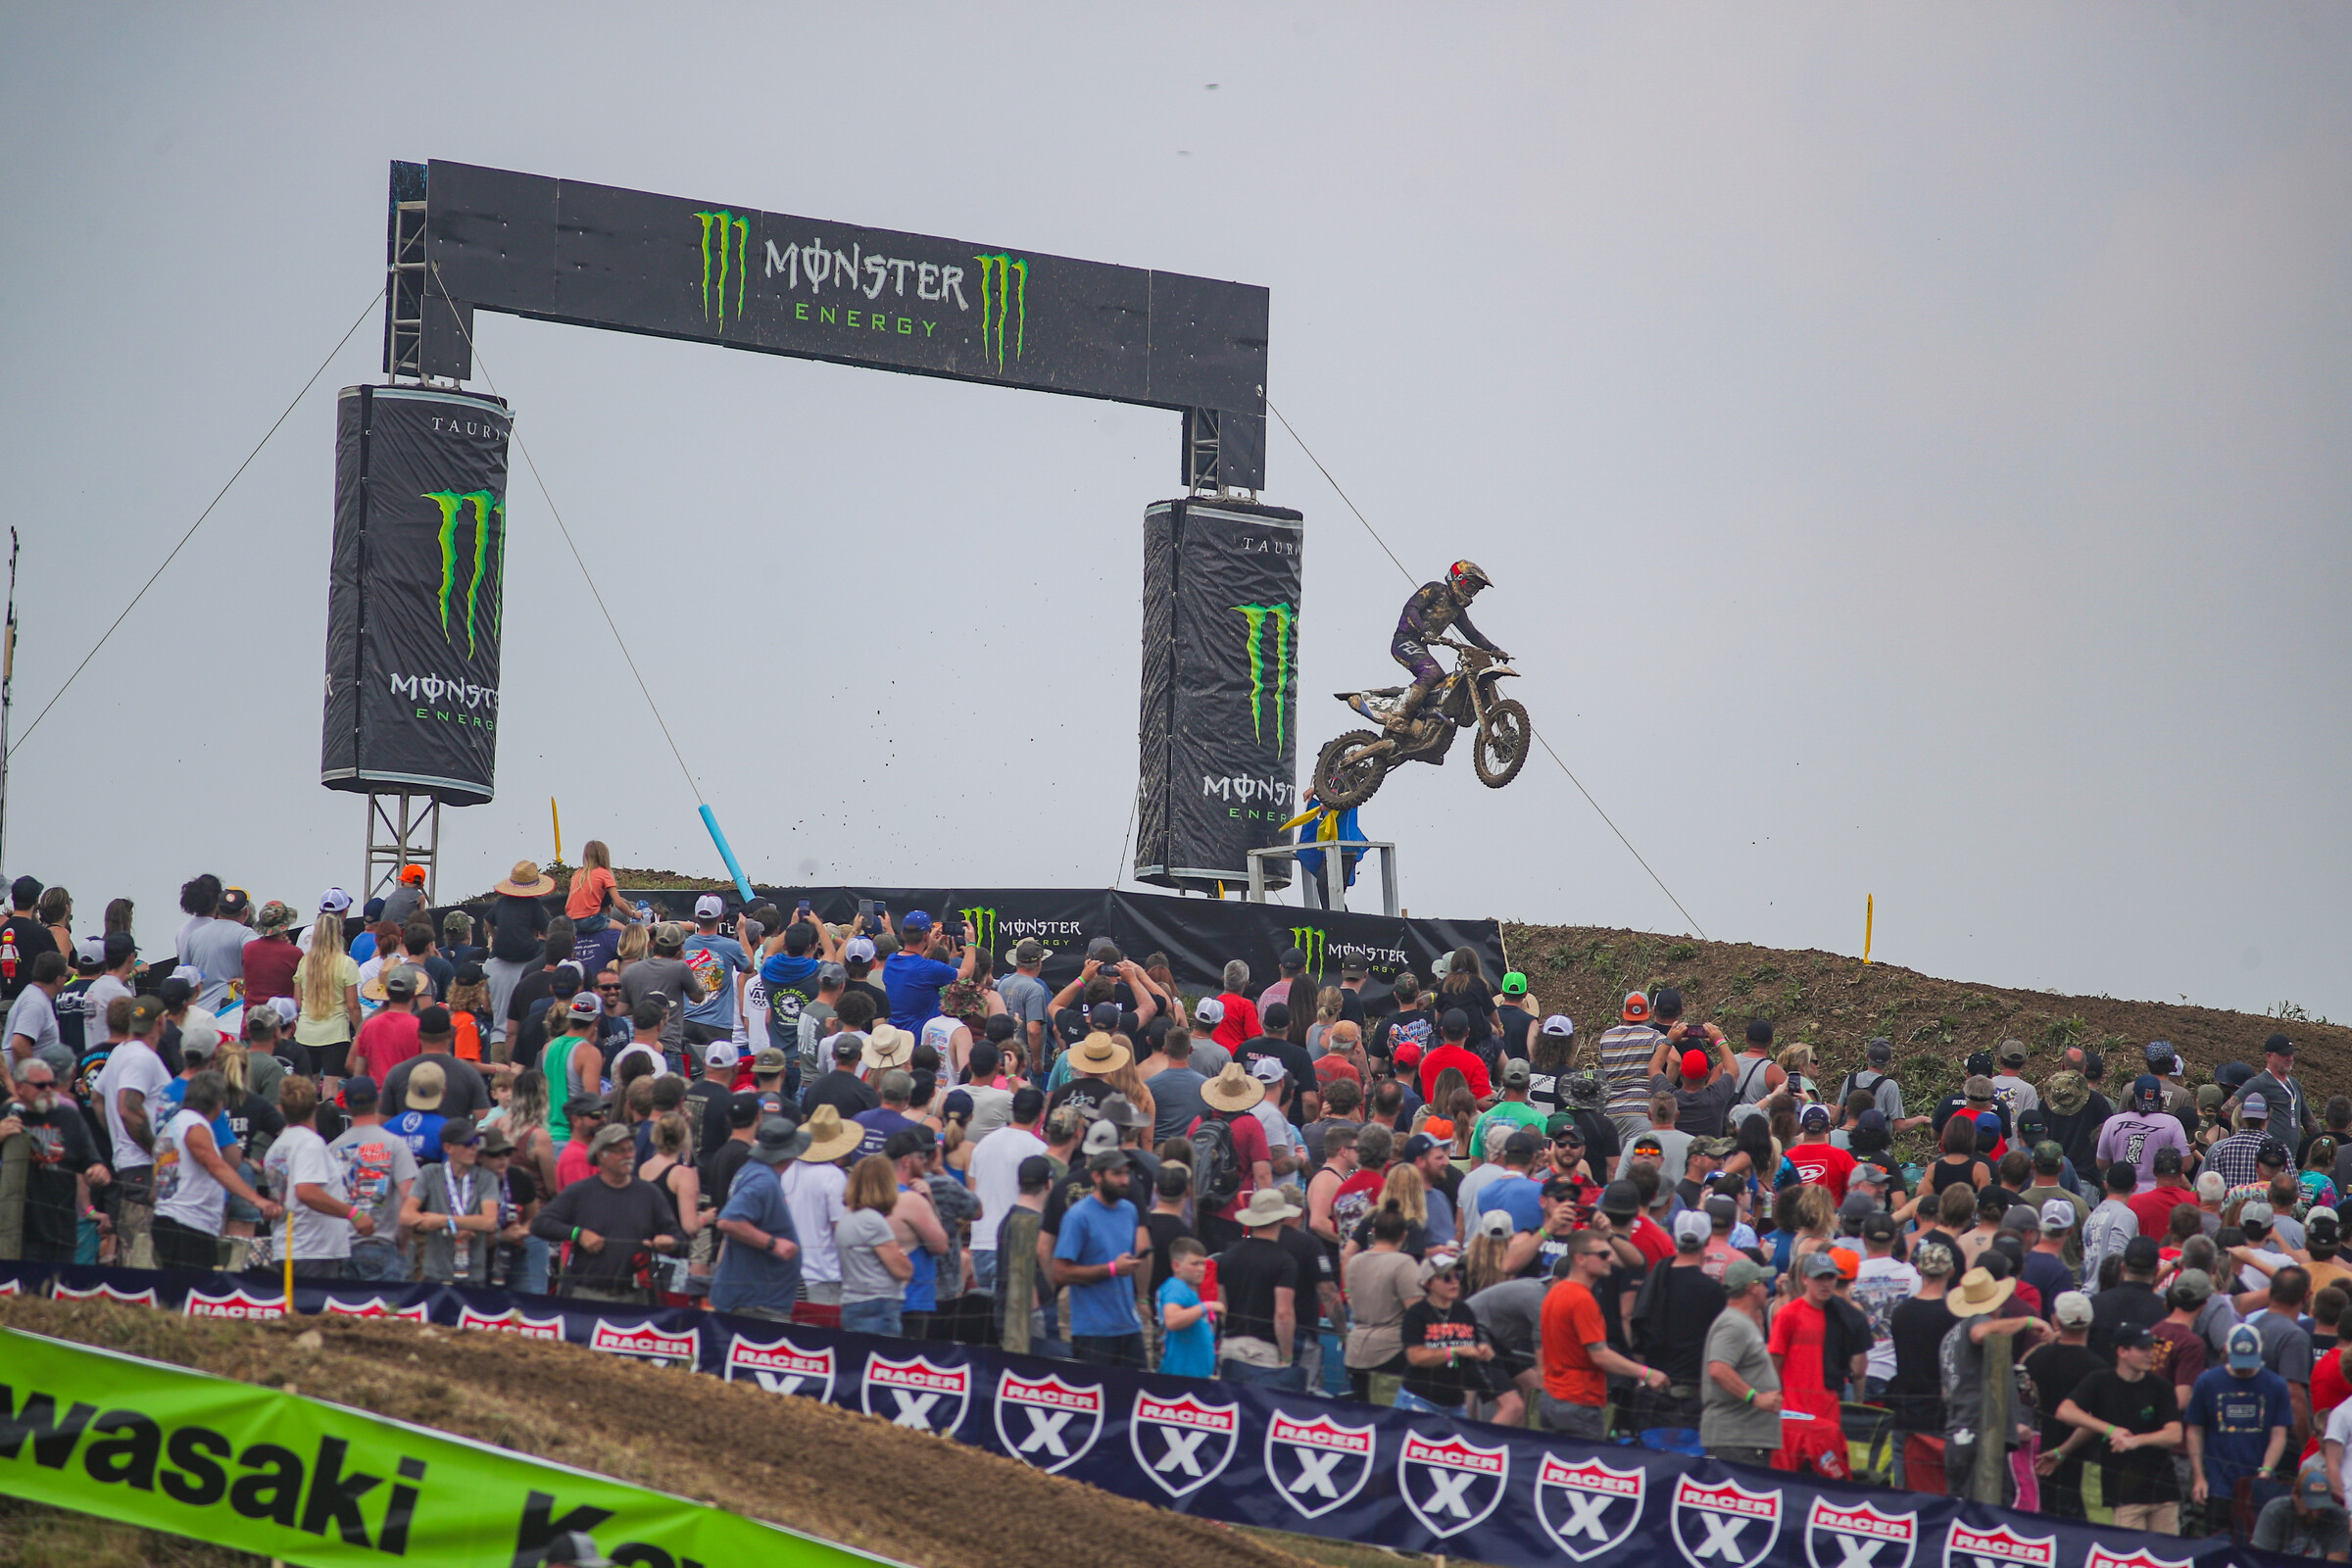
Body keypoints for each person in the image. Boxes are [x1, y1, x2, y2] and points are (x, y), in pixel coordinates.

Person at [2040, 1321, 2185, 1533]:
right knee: (2129, 1551)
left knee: (2166, 1552)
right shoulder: (2100, 1382)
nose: (2150, 1354)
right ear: (2122, 1351)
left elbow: (2174, 1434)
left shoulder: (2161, 1387)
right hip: (2124, 1493)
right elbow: (2065, 1411)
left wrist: (2135, 1441)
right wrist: (2107, 1430)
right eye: (2143, 1348)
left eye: (2151, 1348)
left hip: (2163, 1490)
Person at [531, 1124, 685, 1303]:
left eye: (630, 1149)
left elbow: (679, 1238)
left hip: (635, 1298)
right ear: (600, 1156)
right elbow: (540, 1224)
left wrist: (670, 1243)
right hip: (587, 1295)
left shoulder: (649, 1194)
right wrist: (578, 1234)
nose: (628, 1155)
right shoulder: (581, 1192)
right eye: (620, 1151)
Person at [1542, 1230, 1669, 1437]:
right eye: (1603, 1254)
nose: (1610, 1259)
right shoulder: (1581, 1299)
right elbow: (1600, 1355)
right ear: (1580, 1259)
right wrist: (1647, 1373)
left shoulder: (1557, 1290)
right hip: (1578, 1401)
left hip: (1552, 1396)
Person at [151, 1069, 280, 1271]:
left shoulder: (173, 1125)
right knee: (191, 1286)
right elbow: (217, 1166)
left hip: (171, 1221)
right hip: (186, 1227)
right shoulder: (195, 1126)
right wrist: (257, 1200)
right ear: (219, 1104)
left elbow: (156, 1187)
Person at [1, 1056, 107, 1263]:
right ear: (20, 1087)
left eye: (51, 1083)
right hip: (14, 1230)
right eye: (41, 1086)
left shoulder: (69, 1117)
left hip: (60, 1230)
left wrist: (98, 1172)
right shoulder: (6, 1114)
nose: (49, 1090)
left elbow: (91, 1160)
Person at [2188, 1322, 2295, 1527]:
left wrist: (2266, 1470)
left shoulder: (2276, 1385)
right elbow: (2194, 1430)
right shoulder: (2207, 1382)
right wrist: (2199, 1477)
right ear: (2227, 1351)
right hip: (2218, 1484)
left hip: (2258, 1484)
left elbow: (2278, 1435)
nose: (2244, 1368)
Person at [1054, 1148, 1150, 1368]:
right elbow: (1060, 1272)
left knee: (1138, 1387)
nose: (1124, 1180)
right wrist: (1112, 1269)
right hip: (1093, 1331)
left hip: (1129, 1325)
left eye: (1126, 1173)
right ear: (1097, 1176)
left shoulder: (1129, 1211)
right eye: (1117, 1174)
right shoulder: (1078, 1216)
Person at [1383, 559, 1501, 734]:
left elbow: (1472, 634)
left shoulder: (1457, 610)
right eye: (1469, 586)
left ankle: (1422, 720)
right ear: (1457, 579)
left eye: (1474, 590)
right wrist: (1424, 629)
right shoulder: (1435, 589)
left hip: (1420, 645)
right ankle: (1399, 715)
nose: (1470, 592)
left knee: (1443, 684)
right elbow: (1411, 608)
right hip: (1404, 640)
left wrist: (1494, 649)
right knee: (1431, 672)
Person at [710, 1116, 807, 1319]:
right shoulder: (763, 1181)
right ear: (789, 1155)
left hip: (754, 1297)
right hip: (756, 1303)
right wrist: (773, 1243)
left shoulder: (754, 1171)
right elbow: (728, 1221)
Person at [1214, 1186, 1304, 1389]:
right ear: (1281, 1218)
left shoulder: (1228, 1257)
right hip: (1263, 1351)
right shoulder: (1284, 1261)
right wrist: (1287, 1356)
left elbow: (1222, 1307)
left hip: (1230, 1345)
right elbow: (1283, 1314)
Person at [1702, 1257, 1787, 1465]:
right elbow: (1718, 1368)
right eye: (1763, 1283)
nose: (1767, 1288)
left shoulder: (1740, 1322)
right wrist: (1755, 1398)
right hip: (1736, 1441)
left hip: (1744, 1440)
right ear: (1752, 1288)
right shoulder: (1733, 1324)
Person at [404, 1117, 501, 1284]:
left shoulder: (486, 1178)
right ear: (448, 1147)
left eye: (476, 1143)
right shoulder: (430, 1173)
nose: (474, 1148)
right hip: (436, 1272)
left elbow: (490, 1221)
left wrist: (444, 1221)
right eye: (467, 1144)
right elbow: (406, 1215)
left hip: (474, 1274)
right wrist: (463, 1224)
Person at [1156, 1237, 1220, 1377]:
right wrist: (1207, 1306)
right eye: (1195, 1264)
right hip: (1180, 1376)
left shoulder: (1186, 1290)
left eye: (1203, 1263)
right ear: (1176, 1265)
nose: (1201, 1269)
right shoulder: (1175, 1287)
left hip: (1193, 1376)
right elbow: (1172, 1320)